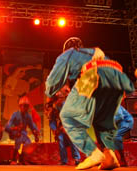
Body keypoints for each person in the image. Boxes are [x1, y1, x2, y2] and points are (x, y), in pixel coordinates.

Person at [45, 37, 135, 170]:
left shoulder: (69, 55)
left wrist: (49, 96)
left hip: (94, 80)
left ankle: (94, 153)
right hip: (115, 81)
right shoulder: (95, 52)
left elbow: (53, 83)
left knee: (68, 116)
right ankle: (110, 156)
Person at [45, 84, 81, 166]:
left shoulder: (68, 106)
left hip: (70, 127)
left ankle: (77, 158)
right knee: (61, 141)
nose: (58, 100)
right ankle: (64, 160)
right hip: (60, 128)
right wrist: (55, 129)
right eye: (57, 98)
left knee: (72, 141)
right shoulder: (53, 108)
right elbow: (52, 120)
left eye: (60, 98)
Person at [5, 96, 39, 165]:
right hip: (14, 132)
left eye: (26, 106)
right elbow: (7, 126)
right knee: (19, 138)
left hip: (23, 133)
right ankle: (13, 159)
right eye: (23, 106)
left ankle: (22, 159)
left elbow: (32, 126)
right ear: (20, 106)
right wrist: (15, 128)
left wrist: (36, 132)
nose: (24, 108)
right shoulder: (15, 114)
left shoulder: (28, 116)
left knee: (28, 143)